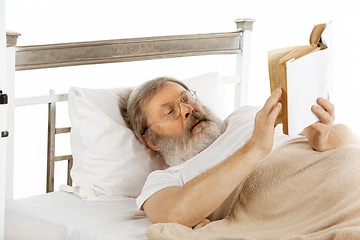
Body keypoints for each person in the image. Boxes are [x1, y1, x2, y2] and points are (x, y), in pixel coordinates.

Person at [119, 76, 360, 228]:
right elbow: (175, 214)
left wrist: (326, 139)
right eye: (169, 112)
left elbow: (349, 145)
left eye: (186, 98)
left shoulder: (246, 115)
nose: (187, 109)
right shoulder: (163, 180)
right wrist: (254, 149)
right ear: (152, 142)